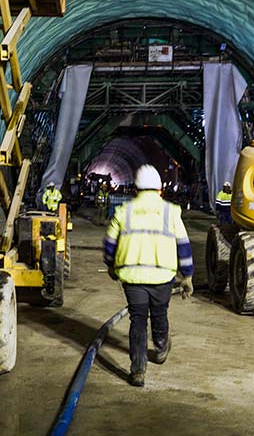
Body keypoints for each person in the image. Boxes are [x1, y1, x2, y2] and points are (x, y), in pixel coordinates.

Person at [103, 165, 194, 387]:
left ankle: (138, 371)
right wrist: (188, 275)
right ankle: (161, 348)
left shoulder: (124, 212)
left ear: (136, 188)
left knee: (138, 320)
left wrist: (111, 266)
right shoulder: (170, 212)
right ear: (160, 188)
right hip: (162, 277)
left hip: (132, 278)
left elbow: (109, 245)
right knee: (160, 313)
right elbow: (183, 245)